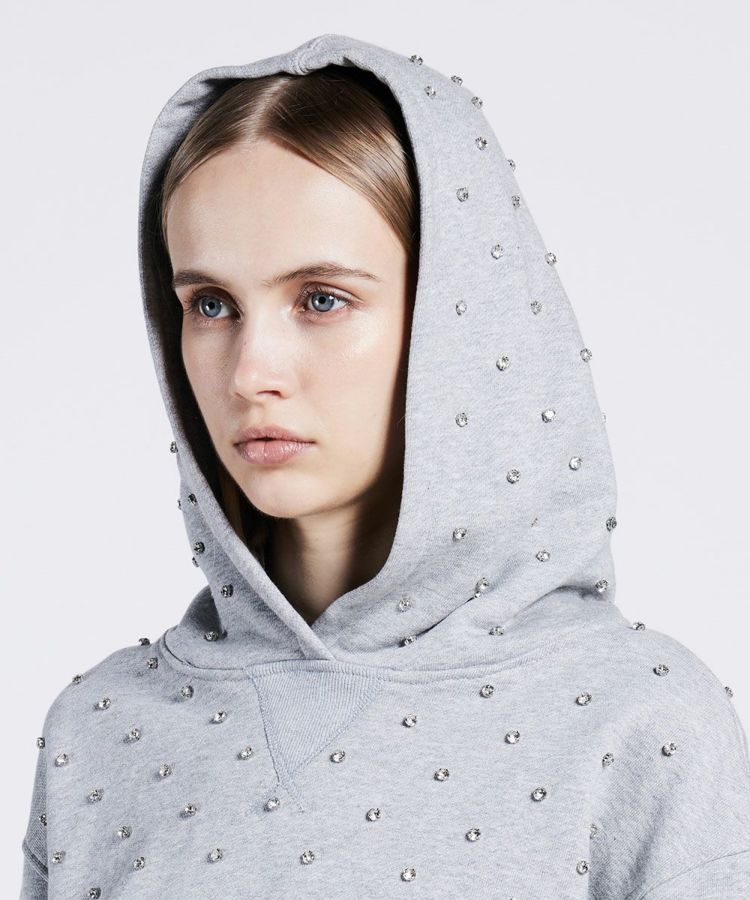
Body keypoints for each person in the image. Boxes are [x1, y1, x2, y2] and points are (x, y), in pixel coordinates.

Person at [20, 32, 750, 899]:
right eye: (210, 304)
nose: (251, 373)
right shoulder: (101, 736)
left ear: (461, 319)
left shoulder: (637, 726)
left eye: (321, 299)